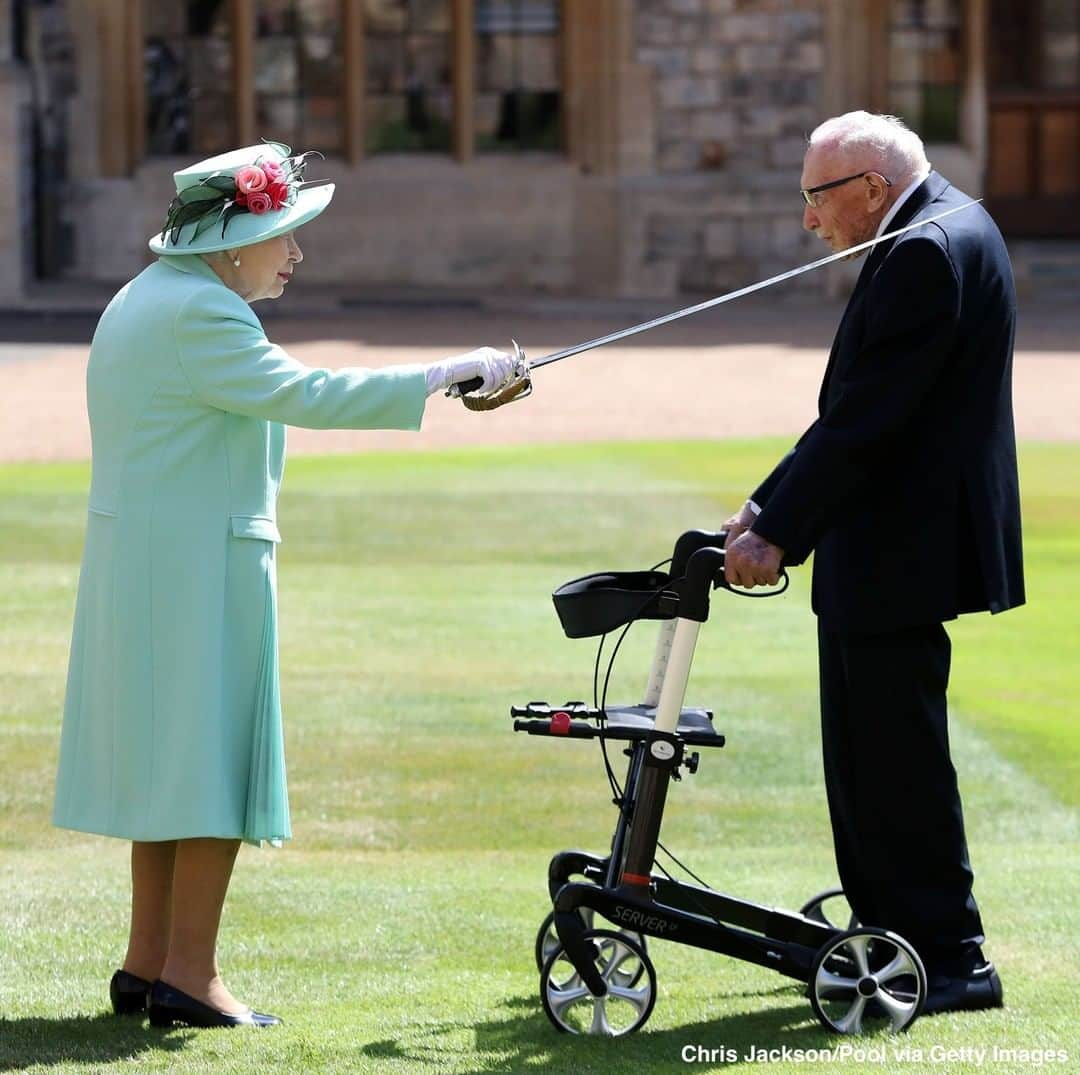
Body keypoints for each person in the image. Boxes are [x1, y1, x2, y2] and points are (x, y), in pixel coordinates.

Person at [52, 142, 521, 1029]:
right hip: (197, 570)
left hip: (151, 566)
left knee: (169, 772)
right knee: (212, 767)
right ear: (232, 242)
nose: (295, 254)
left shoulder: (145, 297)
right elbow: (307, 393)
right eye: (284, 234)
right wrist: (445, 373)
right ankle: (189, 975)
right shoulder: (203, 313)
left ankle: (147, 962)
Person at [723, 112, 1023, 1015]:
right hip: (888, 545)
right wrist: (765, 503)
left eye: (816, 199)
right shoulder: (941, 227)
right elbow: (859, 408)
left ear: (871, 191)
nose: (809, 221)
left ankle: (949, 956)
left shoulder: (926, 249)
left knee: (895, 762)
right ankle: (890, 925)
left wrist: (775, 527)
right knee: (866, 758)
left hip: (900, 549)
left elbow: (867, 421)